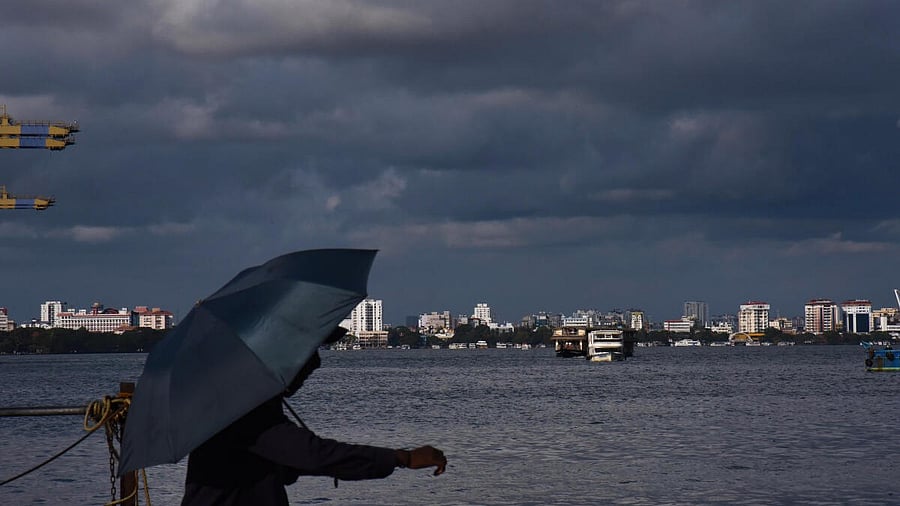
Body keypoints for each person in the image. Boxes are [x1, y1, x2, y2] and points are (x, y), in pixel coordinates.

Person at [181, 331, 447, 506]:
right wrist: (402, 458)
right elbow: (313, 455)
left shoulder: (248, 403)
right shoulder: (245, 410)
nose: (314, 365)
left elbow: (293, 461)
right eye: (308, 358)